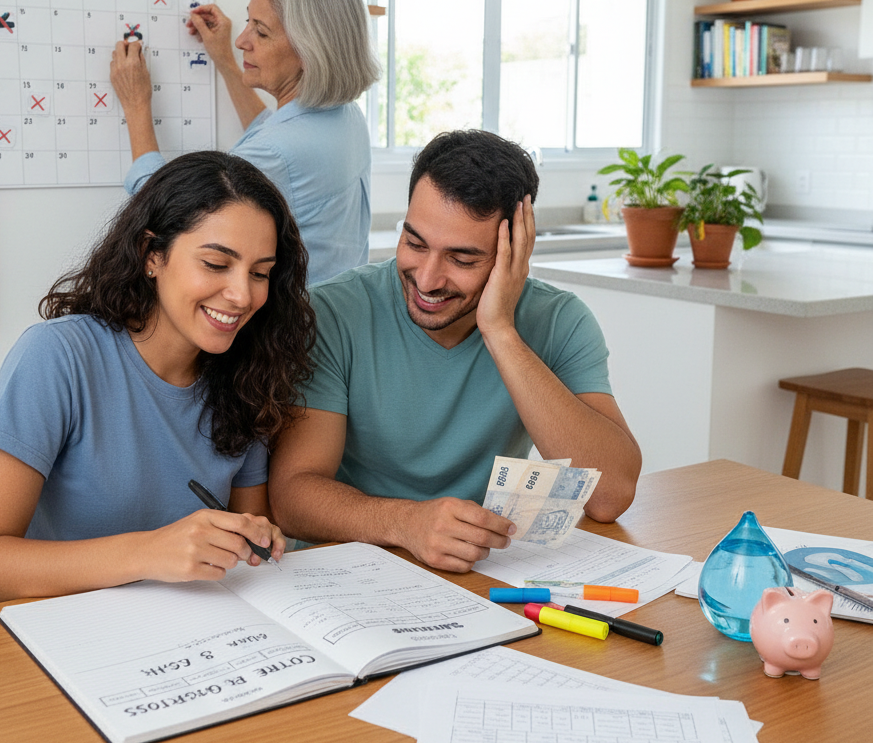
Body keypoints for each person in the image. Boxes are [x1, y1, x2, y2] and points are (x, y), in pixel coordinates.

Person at [0, 152, 315, 608]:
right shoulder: (58, 357)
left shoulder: (248, 373)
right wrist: (149, 552)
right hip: (62, 636)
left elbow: (247, 537)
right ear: (151, 255)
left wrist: (252, 536)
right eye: (217, 265)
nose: (243, 295)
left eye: (260, 273)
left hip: (187, 635)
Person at [268, 130, 642, 573]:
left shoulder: (560, 321)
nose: (427, 279)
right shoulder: (333, 313)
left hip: (473, 573)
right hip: (346, 566)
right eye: (414, 243)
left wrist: (500, 331)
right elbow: (292, 496)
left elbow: (609, 495)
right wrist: (407, 522)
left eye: (462, 260)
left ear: (515, 251)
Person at [111, 0, 380, 284]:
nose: (242, 40)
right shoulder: (345, 115)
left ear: (310, 50)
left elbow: (163, 212)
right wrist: (226, 60)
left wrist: (136, 103)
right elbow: (272, 129)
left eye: (261, 31)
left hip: (292, 328)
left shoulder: (280, 153)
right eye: (249, 21)